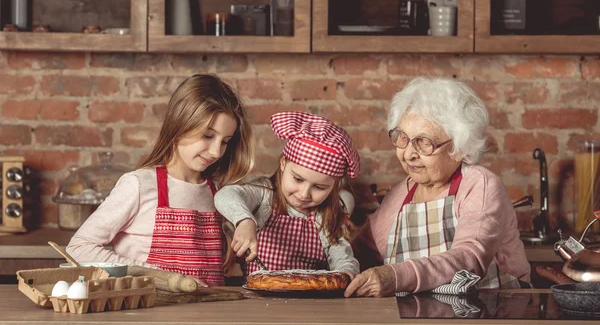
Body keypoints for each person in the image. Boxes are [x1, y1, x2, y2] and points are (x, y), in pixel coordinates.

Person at [345, 77, 530, 298]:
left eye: (424, 142)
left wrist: (396, 276)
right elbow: (361, 252)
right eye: (402, 137)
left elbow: (469, 259)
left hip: (493, 311)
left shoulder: (479, 184)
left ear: (459, 147)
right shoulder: (400, 195)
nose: (409, 153)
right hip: (421, 317)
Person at [66, 74, 254, 287]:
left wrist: (246, 223)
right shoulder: (139, 185)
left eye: (225, 141)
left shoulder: (219, 192)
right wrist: (151, 274)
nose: (216, 151)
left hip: (207, 316)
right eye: (208, 136)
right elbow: (79, 248)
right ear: (180, 124)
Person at [214, 111, 360, 276]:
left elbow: (343, 258)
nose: (304, 194)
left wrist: (347, 274)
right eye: (298, 179)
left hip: (312, 296)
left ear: (334, 186)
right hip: (259, 296)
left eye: (319, 187)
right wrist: (245, 221)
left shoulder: (326, 215)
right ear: (283, 164)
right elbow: (225, 195)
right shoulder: (265, 194)